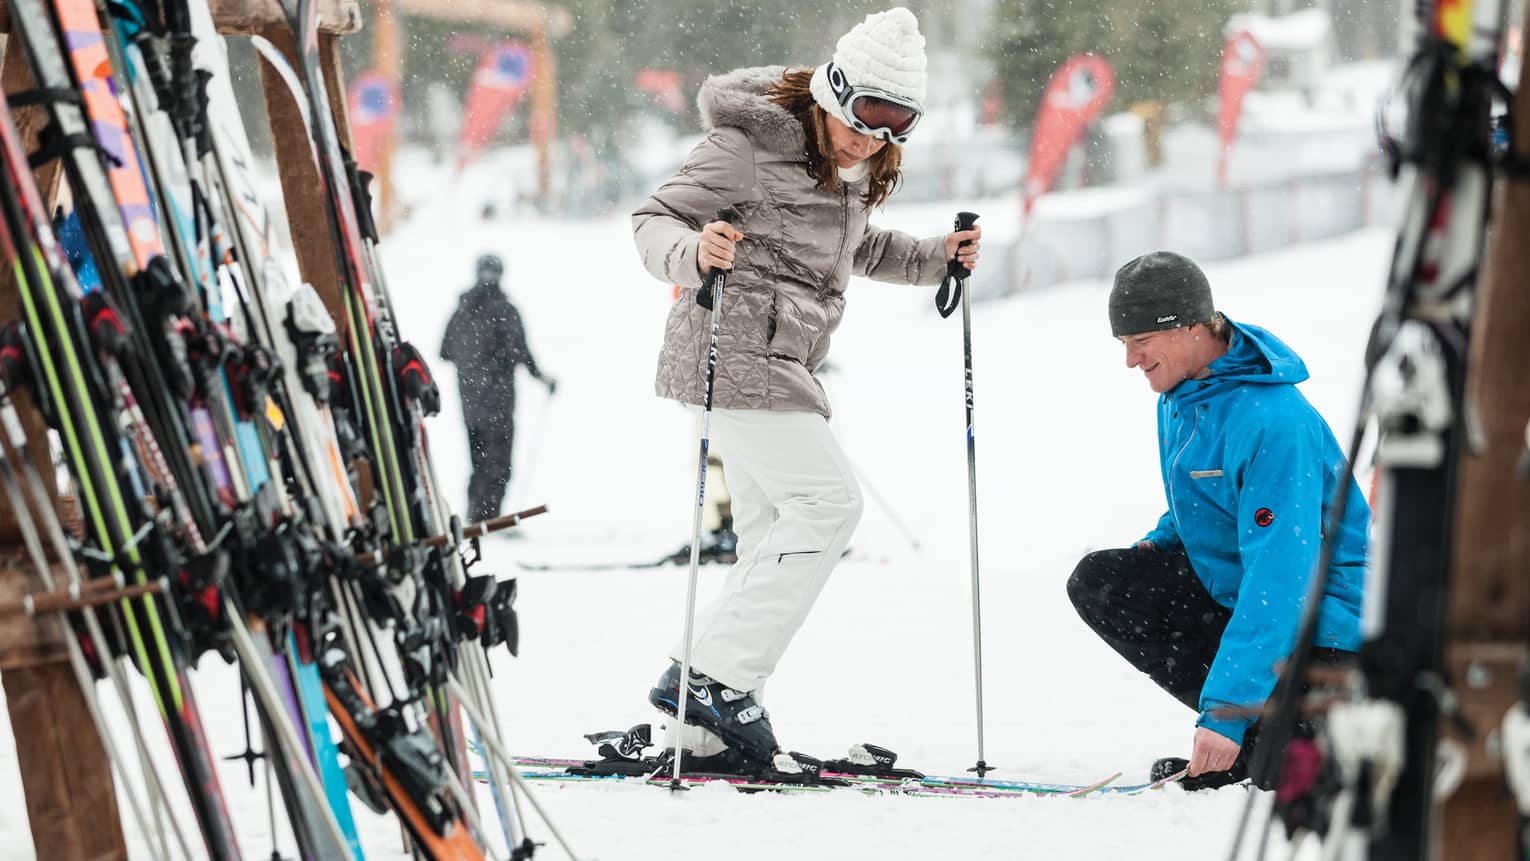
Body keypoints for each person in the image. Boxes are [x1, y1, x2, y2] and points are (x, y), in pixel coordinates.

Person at [631, 7, 981, 768]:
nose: (871, 137)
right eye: (863, 116)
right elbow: (652, 220)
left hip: (781, 361)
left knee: (769, 539)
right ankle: (713, 681)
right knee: (830, 502)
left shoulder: (855, 169)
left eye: (895, 126)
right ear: (834, 89)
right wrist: (695, 248)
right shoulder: (747, 148)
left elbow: (860, 247)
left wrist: (936, 257)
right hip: (731, 353)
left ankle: (700, 727)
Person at [1066, 251, 1369, 790]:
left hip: (1324, 630)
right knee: (1104, 583)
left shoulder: (1275, 424)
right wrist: (1161, 542)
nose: (1131, 361)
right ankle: (1255, 741)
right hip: (1245, 596)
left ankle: (1262, 736)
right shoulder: (1182, 392)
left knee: (1301, 773)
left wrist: (1227, 711)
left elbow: (1282, 579)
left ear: (1188, 326)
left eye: (1140, 342)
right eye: (1123, 345)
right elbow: (1204, 499)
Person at [439, 253, 556, 524]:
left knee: (478, 463)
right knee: (499, 465)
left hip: (470, 404)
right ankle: (488, 519)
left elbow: (444, 351)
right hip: (499, 403)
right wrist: (542, 379)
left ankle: (476, 516)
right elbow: (522, 353)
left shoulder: (462, 311)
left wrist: (471, 363)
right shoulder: (505, 311)